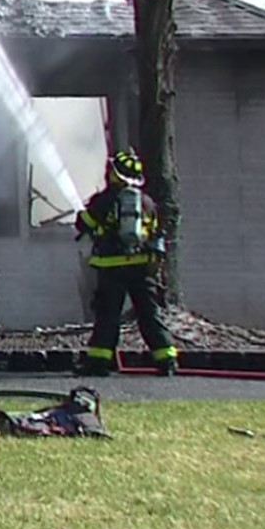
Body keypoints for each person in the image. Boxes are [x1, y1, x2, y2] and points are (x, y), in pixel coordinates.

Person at [74, 149, 179, 377]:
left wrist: (83, 215)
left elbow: (84, 223)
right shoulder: (148, 202)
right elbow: (156, 232)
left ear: (116, 174)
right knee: (148, 313)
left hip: (112, 267)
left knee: (108, 314)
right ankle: (167, 359)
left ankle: (99, 362)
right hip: (142, 268)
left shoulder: (105, 199)